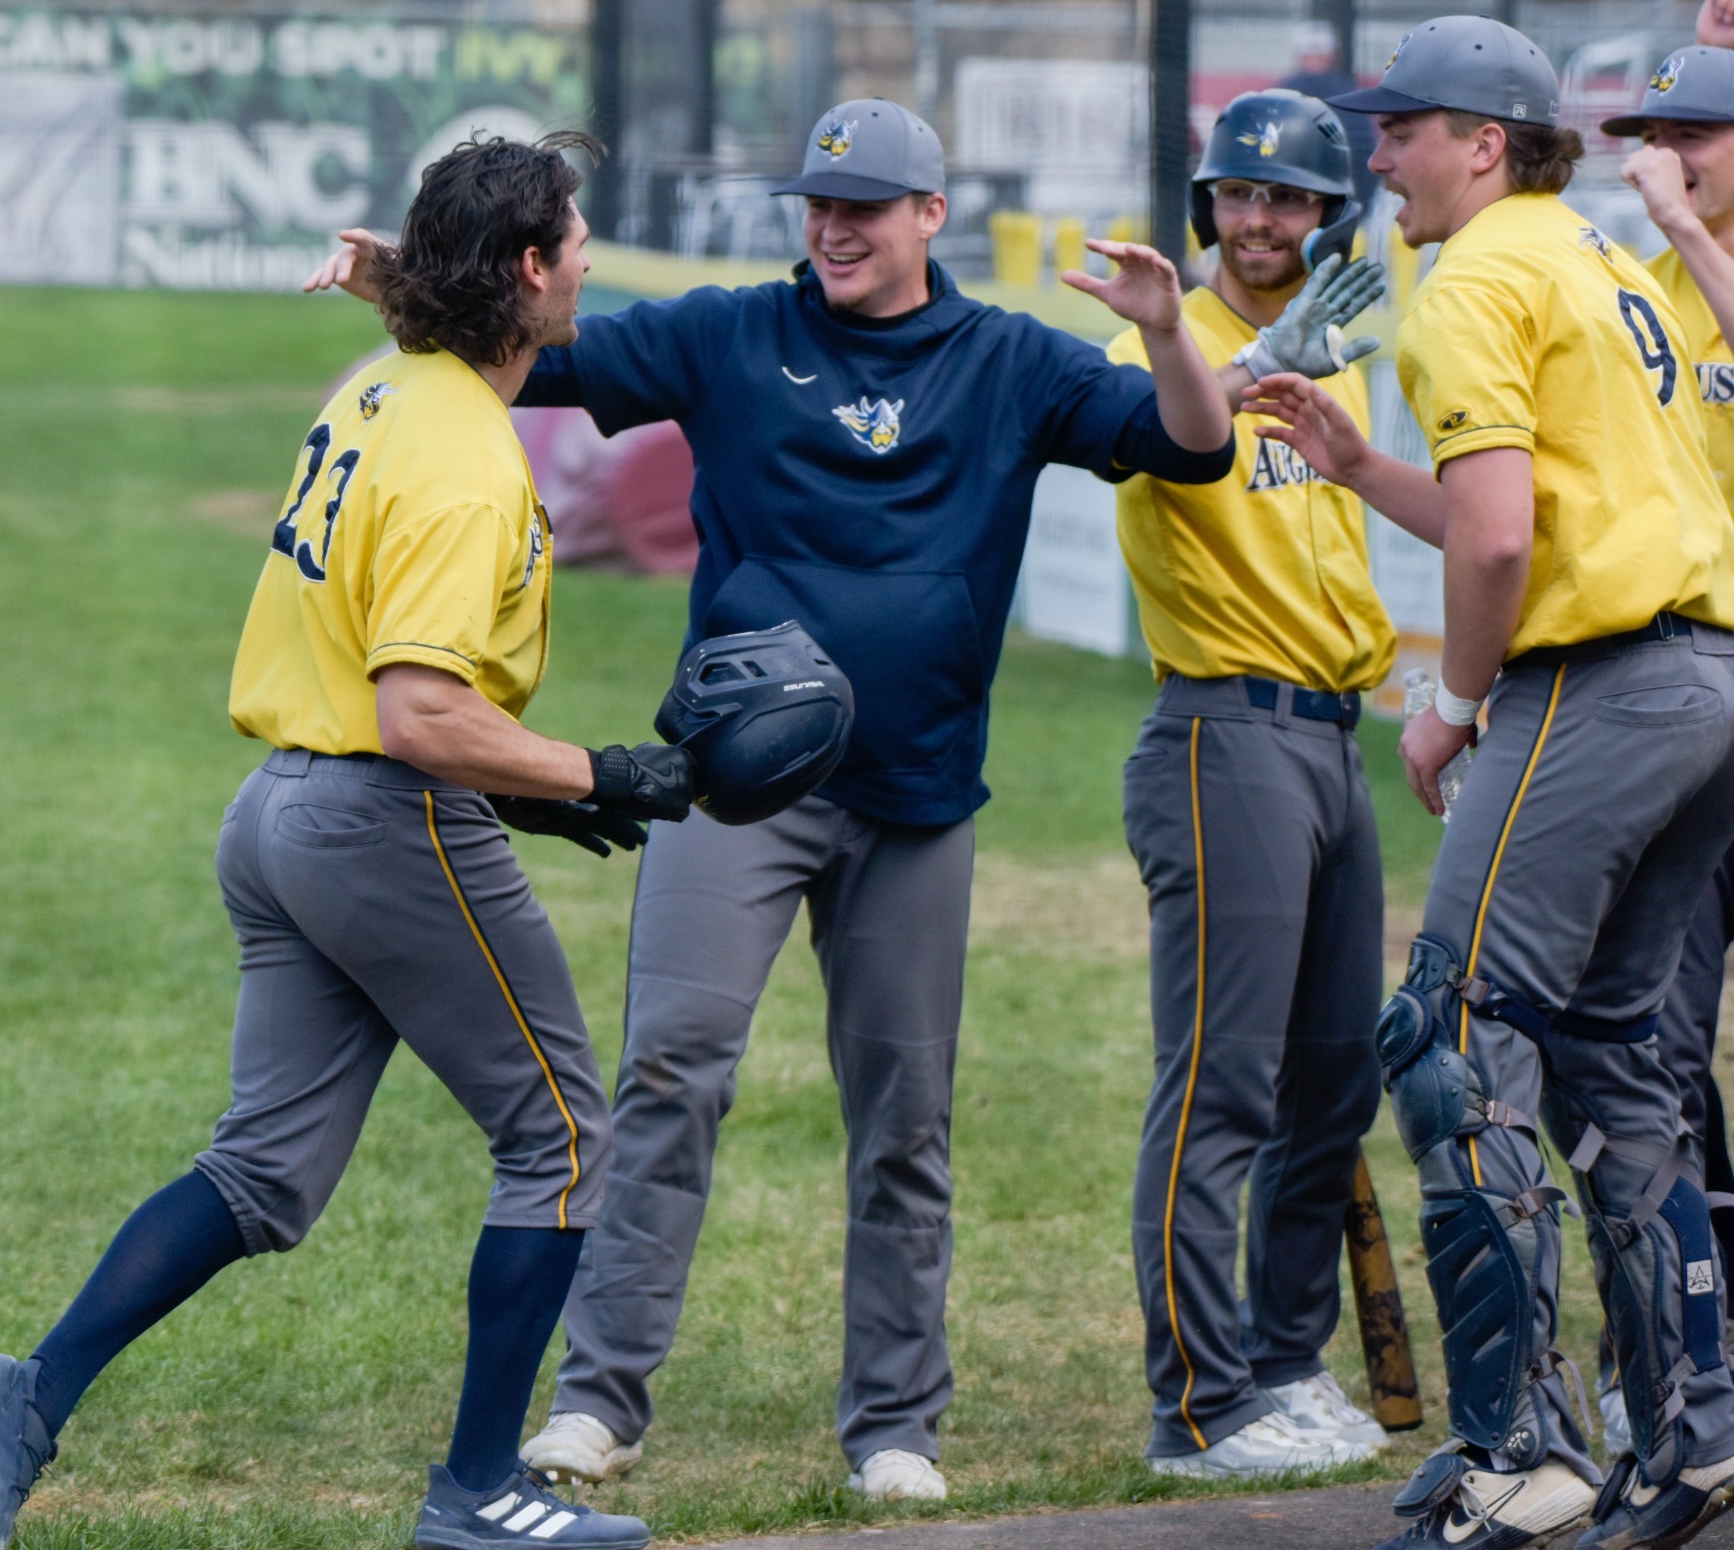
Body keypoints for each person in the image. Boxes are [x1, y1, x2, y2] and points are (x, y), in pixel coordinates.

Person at [308, 95, 1346, 1497]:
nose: (835, 227)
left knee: (904, 1117)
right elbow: (525, 363)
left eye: (865, 206)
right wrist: (402, 286)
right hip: (734, 792)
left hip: (917, 798)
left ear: (931, 216)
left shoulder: (1005, 358)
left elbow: (1190, 447)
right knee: (670, 1070)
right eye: (817, 203)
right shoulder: (731, 332)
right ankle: (598, 1399)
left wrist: (1170, 328)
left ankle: (896, 1421)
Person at [0, 133, 695, 1550]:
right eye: (573, 236)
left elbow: (369, 672)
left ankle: (26, 1396)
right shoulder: (473, 454)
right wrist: (599, 768)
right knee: (566, 1137)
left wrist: (538, 790)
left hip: (277, 813)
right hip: (377, 818)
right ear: (529, 271)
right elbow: (416, 712)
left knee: (261, 1172)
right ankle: (476, 1491)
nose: (587, 253)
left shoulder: (385, 387)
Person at [1253, 16, 1734, 1548]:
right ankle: (1697, 1431)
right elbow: (1533, 506)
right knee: (1617, 1064)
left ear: (1485, 142)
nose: (1376, 152)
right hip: (1705, 677)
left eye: (1405, 128)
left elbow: (1510, 547)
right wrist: (1355, 464)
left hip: (1597, 682)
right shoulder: (1594, 259)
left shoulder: (1474, 276)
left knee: (1451, 1031)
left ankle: (1525, 1450)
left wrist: (1448, 701)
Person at [1109, 88, 1402, 1479]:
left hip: (1332, 736)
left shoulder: (1335, 349)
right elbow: (1163, 420)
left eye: (1288, 199)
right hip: (1222, 735)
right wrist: (1231, 359)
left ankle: (1284, 1365)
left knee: (1336, 1078)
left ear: (1327, 213)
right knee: (1220, 1083)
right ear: (1206, 204)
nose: (1260, 220)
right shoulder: (1163, 339)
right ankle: (1197, 1403)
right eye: (1238, 193)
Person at [1600, 40, 1734, 1461]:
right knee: (1657, 1048)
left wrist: (1693, 230)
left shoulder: (1688, 262)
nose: (1669, 150)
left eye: (1696, 129)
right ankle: (1671, 1369)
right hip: (1686, 708)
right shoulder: (1633, 299)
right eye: (1654, 130)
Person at [1277, 21, 1380, 210]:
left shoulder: (1280, 93)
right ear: (1332, 55)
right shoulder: (1351, 93)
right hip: (1351, 210)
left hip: (1289, 209)